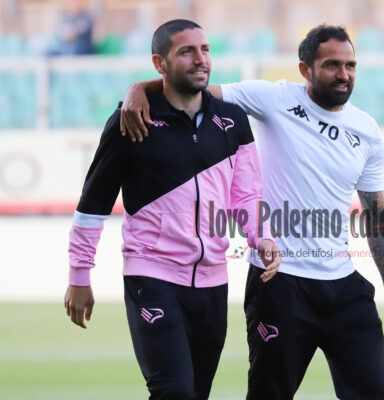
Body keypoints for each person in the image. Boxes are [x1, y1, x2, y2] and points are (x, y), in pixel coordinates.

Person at [121, 24, 384, 399]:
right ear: (305, 69)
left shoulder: (366, 130)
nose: (344, 74)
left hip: (344, 287)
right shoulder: (273, 98)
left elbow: (377, 215)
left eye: (350, 65)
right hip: (279, 284)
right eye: (332, 65)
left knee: (377, 393)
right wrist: (139, 88)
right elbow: (190, 89)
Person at [64, 19, 281, 400]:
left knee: (196, 392)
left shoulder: (233, 121)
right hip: (152, 274)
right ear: (159, 63)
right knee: (174, 391)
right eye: (187, 51)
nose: (201, 59)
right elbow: (94, 203)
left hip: (213, 281)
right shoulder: (132, 119)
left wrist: (260, 236)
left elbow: (246, 195)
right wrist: (79, 275)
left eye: (205, 50)